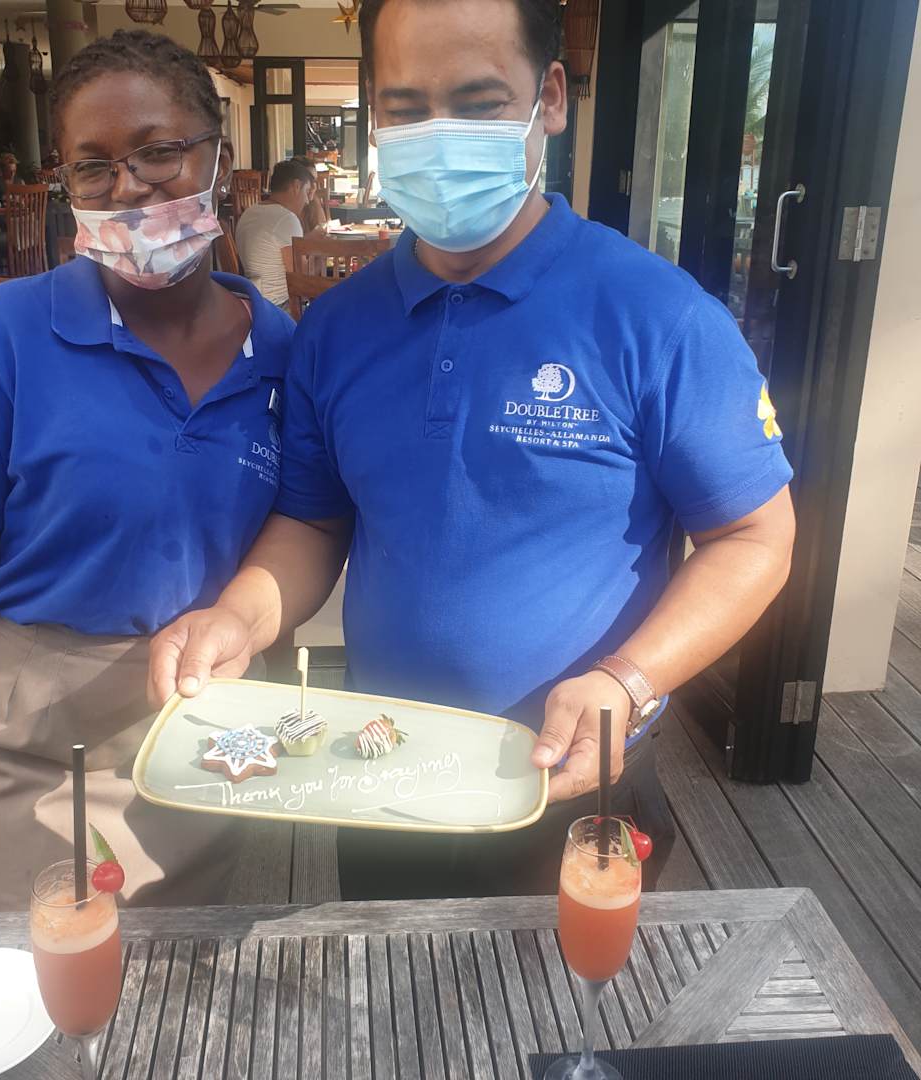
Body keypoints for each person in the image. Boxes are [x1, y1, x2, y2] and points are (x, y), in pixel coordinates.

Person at [149, 0, 796, 900]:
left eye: (480, 102)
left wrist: (629, 679)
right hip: (381, 768)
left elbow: (755, 537)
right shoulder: (337, 328)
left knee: (577, 993)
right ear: (376, 116)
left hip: (571, 777)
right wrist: (239, 617)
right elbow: (313, 520)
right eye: (408, 108)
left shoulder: (659, 318)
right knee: (394, 985)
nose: (442, 135)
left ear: (551, 98)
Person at [0, 30, 295, 912]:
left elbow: (296, 538)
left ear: (219, 160)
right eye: (92, 168)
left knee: (179, 981)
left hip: (200, 732)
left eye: (159, 152)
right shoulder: (6, 337)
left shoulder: (285, 354)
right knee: (36, 971)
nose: (128, 186)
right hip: (25, 737)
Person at [235, 158, 316, 309]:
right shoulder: (286, 219)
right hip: (280, 307)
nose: (307, 201)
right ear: (296, 186)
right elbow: (302, 277)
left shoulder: (250, 212)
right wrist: (319, 251)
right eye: (306, 192)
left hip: (252, 301)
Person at [291, 155, 329, 233]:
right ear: (296, 184)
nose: (314, 187)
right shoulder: (286, 211)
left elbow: (322, 231)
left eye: (315, 181)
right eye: (309, 181)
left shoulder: (314, 204)